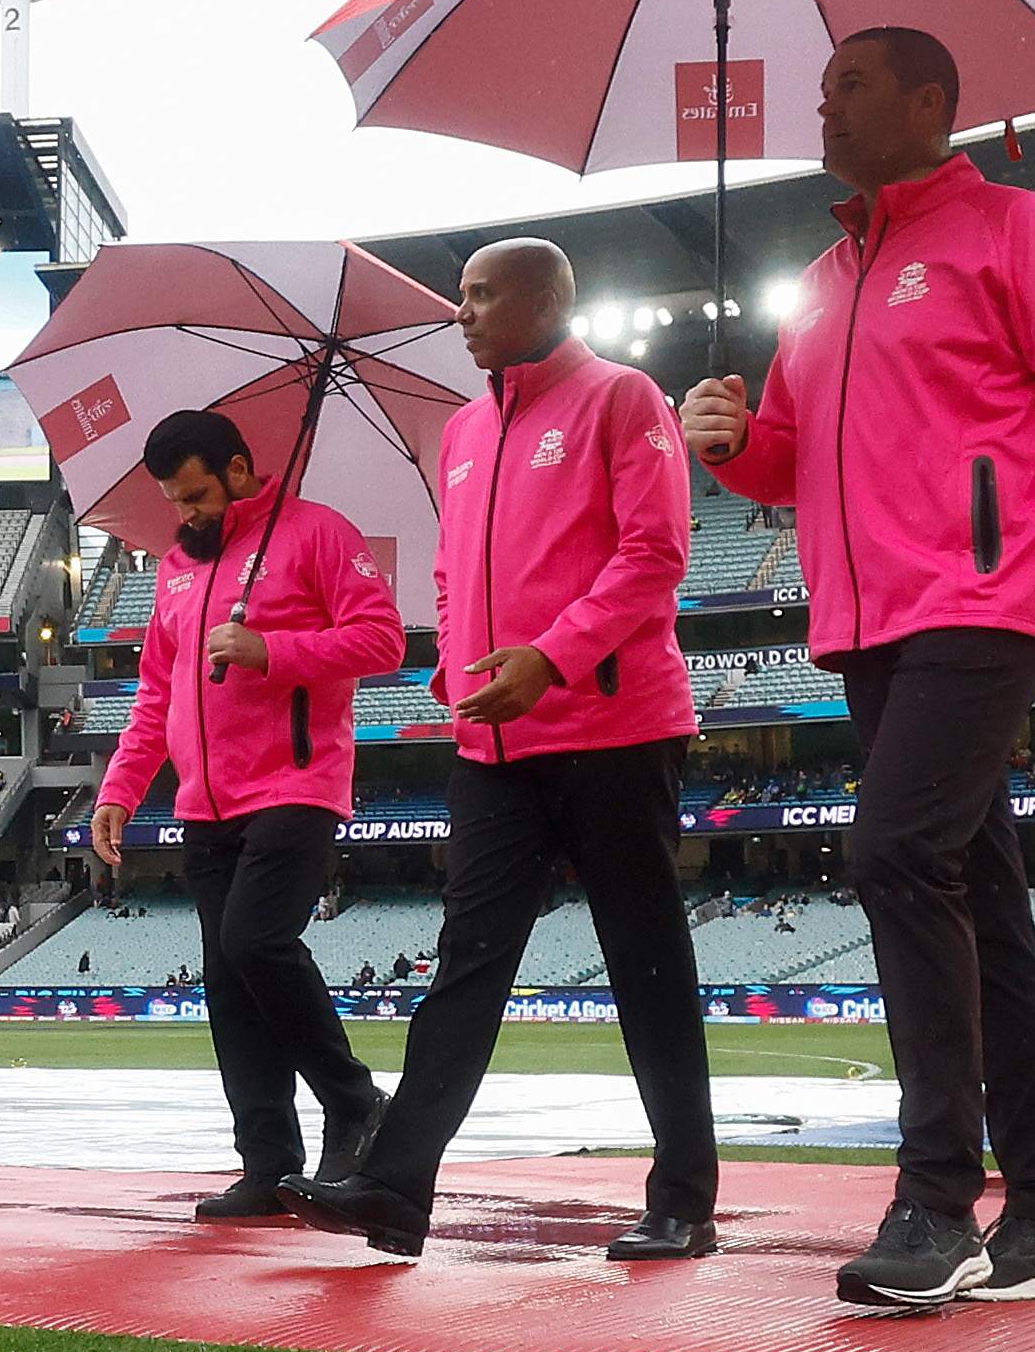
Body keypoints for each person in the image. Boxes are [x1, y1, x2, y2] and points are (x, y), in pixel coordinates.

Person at [678, 26, 1035, 1307]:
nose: (821, 107)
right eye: (818, 85)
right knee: (983, 906)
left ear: (929, 100)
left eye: (846, 85)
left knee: (892, 852)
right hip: (866, 623)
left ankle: (936, 1200)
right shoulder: (820, 279)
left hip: (982, 596)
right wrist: (729, 443)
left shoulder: (1017, 229)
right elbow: (789, 463)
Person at [278, 238, 716, 1264]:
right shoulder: (464, 429)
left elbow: (654, 556)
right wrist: (454, 664)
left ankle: (682, 1198)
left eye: (480, 296)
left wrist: (551, 659)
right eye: (460, 295)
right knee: (464, 966)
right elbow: (448, 572)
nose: (461, 312)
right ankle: (391, 1190)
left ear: (544, 299)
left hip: (612, 729)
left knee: (645, 965)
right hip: (490, 743)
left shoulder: (620, 398)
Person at [90, 408, 405, 1224]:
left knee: (254, 941)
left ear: (238, 470)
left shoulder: (317, 534)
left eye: (196, 495)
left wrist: (275, 650)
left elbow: (382, 642)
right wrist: (121, 788)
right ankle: (267, 1166)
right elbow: (156, 694)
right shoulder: (175, 569)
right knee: (229, 988)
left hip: (296, 783)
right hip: (204, 802)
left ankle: (353, 1099)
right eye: (173, 501)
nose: (184, 514)